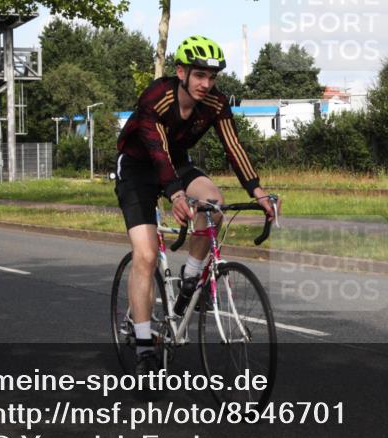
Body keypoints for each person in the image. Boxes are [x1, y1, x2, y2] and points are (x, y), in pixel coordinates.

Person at [114, 35, 277, 385]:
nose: (207, 84)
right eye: (200, 75)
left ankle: (190, 280)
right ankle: (144, 347)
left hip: (178, 164)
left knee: (213, 204)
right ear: (181, 72)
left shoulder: (215, 104)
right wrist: (174, 196)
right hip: (139, 168)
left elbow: (234, 147)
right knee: (144, 255)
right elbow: (156, 151)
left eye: (213, 77)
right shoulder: (157, 98)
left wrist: (258, 192)